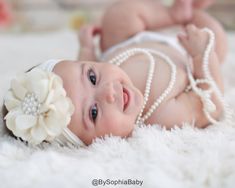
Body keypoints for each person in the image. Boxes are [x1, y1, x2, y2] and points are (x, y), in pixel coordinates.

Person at [2, 0, 229, 147]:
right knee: (216, 37)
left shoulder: (99, 72)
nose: (108, 92)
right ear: (91, 144)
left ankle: (174, 14)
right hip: (186, 52)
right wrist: (201, 56)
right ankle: (194, 16)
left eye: (92, 77)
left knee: (117, 16)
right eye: (93, 112)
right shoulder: (161, 116)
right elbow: (210, 102)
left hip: (129, 44)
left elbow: (85, 67)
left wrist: (88, 48)